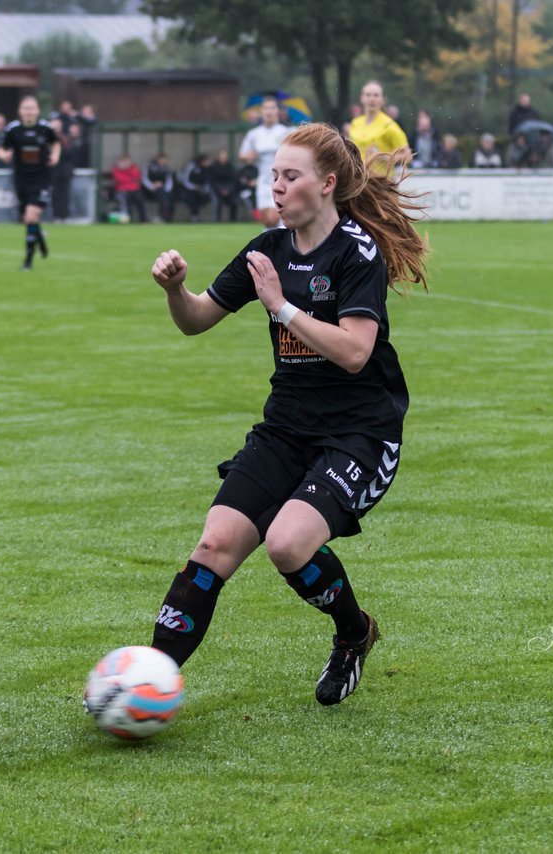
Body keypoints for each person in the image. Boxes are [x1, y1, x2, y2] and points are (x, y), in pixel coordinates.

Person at [147, 122, 428, 707]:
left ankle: (354, 632)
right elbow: (197, 318)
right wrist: (176, 289)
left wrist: (281, 305)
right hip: (285, 428)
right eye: (273, 175)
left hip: (359, 433)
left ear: (326, 184)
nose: (276, 187)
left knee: (287, 544)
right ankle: (147, 681)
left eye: (290, 176)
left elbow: (355, 352)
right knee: (215, 544)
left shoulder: (357, 252)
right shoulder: (265, 249)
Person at [0, 95, 60, 270]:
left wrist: (55, 155)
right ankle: (39, 237)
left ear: (37, 111)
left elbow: (56, 144)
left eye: (32, 108)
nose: (29, 111)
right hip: (22, 180)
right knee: (28, 219)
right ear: (21, 111)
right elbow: (1, 148)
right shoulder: (13, 130)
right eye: (26, 108)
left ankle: (28, 261)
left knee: (31, 217)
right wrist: (4, 155)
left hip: (42, 179)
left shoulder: (45, 128)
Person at [240, 94, 291, 229]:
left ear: (277, 111)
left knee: (275, 216)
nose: (269, 111)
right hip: (262, 180)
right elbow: (243, 155)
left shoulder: (286, 132)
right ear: (261, 111)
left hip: (280, 178)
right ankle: (269, 246)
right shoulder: (254, 134)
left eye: (272, 108)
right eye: (266, 108)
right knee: (266, 220)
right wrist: (249, 157)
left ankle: (283, 240)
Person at [348, 81, 410, 165]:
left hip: (380, 177)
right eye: (368, 95)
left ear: (383, 100)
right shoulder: (355, 123)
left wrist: (384, 157)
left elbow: (408, 156)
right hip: (357, 176)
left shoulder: (389, 125)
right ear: (362, 98)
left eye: (376, 95)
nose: (372, 99)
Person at [110, 151, 146, 222]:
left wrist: (128, 170)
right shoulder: (116, 168)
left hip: (134, 190)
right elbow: (119, 179)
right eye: (123, 161)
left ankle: (144, 219)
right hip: (121, 190)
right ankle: (125, 220)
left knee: (141, 200)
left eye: (127, 161)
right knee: (123, 201)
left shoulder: (133, 167)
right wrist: (130, 179)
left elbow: (137, 176)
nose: (125, 163)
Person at [143, 152, 177, 223]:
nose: (164, 161)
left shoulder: (167, 169)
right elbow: (144, 179)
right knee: (162, 196)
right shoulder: (150, 167)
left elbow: (169, 181)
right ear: (158, 159)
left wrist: (166, 189)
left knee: (170, 198)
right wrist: (152, 186)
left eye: (165, 159)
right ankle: (163, 217)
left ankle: (168, 218)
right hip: (150, 190)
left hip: (164, 190)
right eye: (162, 159)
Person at [210, 149, 240, 222]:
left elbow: (233, 180)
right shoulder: (214, 167)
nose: (222, 160)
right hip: (217, 191)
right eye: (221, 158)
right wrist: (220, 190)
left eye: (224, 158)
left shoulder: (230, 167)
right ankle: (217, 221)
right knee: (217, 203)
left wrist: (228, 190)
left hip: (229, 191)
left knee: (235, 202)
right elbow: (213, 181)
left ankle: (233, 221)